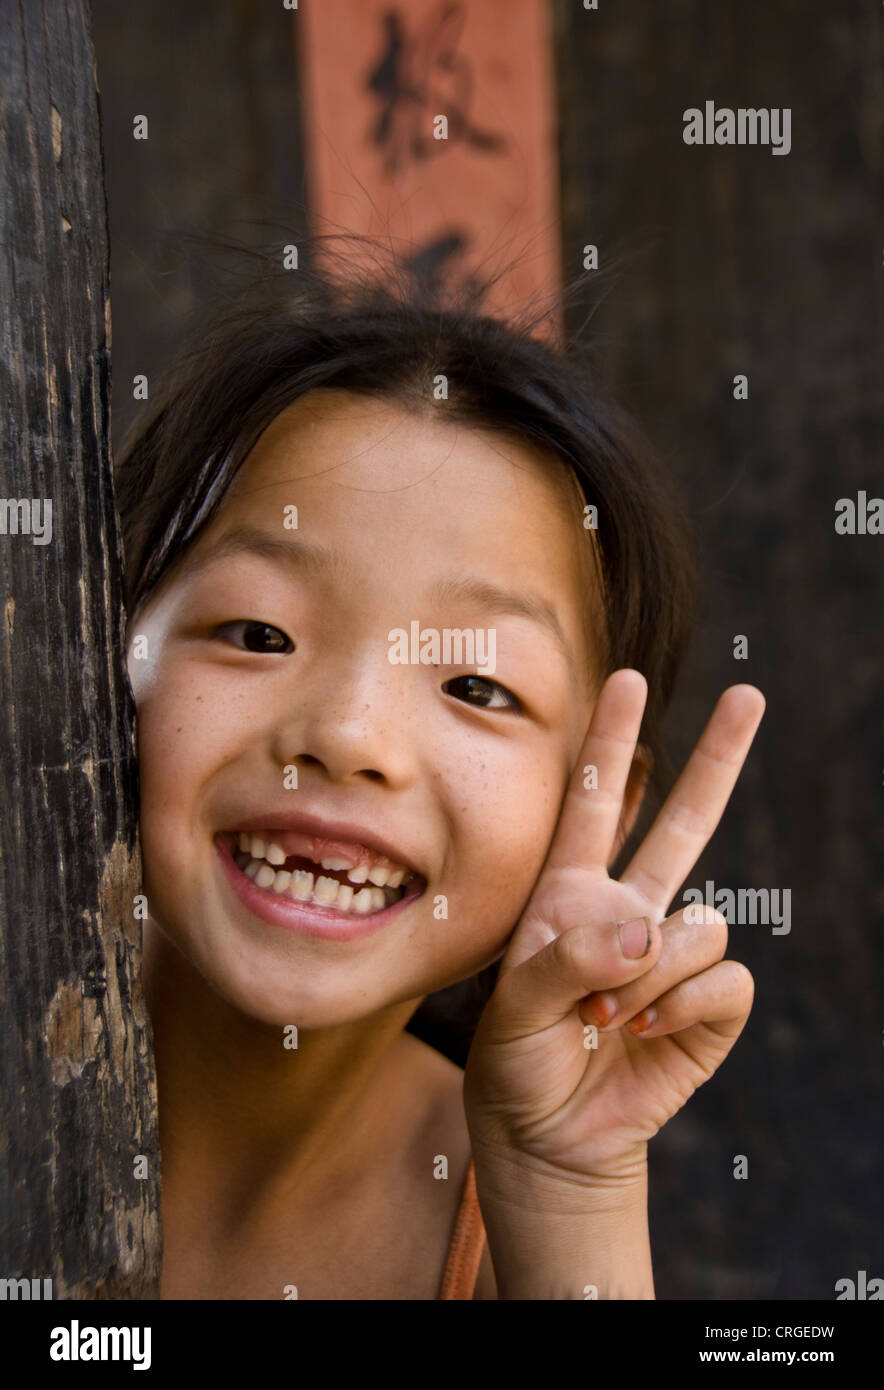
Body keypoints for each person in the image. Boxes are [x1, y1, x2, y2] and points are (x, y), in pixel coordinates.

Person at [116, 253, 765, 1299]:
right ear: (113, 668)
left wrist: (568, 1190)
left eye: (476, 683)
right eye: (257, 630)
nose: (348, 733)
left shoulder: (510, 1234)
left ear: (590, 808)